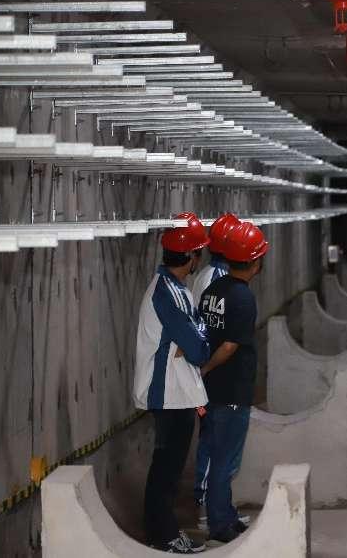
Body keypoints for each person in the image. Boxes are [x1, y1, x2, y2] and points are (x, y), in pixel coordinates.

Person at [133, 213, 212, 554]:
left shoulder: (172, 289)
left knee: (167, 467)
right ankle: (163, 536)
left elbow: (195, 335)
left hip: (175, 393)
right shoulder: (169, 294)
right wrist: (195, 339)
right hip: (169, 394)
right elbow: (200, 348)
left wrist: (193, 337)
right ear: (191, 256)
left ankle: (160, 532)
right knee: (167, 469)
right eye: (199, 252)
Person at [198, 221, 269, 544]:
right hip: (232, 390)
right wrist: (207, 368)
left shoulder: (213, 291)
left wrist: (204, 372)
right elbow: (229, 346)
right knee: (225, 461)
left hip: (213, 390)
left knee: (219, 455)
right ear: (255, 262)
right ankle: (219, 524)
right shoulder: (243, 298)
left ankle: (225, 514)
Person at [189, 212, 248, 530]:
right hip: (214, 375)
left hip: (213, 372)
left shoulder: (214, 275)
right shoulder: (216, 279)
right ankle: (206, 509)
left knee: (217, 444)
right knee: (215, 444)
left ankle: (219, 508)